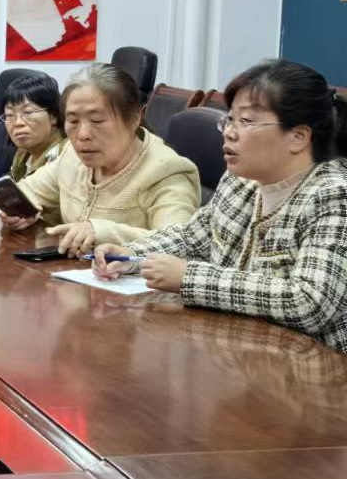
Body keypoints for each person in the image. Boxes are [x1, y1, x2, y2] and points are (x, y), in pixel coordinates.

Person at [93, 60, 347, 353]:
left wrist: (189, 278)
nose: (229, 132)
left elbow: (309, 302)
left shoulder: (333, 196)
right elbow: (192, 239)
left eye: (246, 121)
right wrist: (132, 255)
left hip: (313, 367)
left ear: (298, 137)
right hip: (240, 351)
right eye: (229, 120)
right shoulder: (241, 182)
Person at [4, 63, 200, 256]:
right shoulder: (72, 155)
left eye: (96, 120)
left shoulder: (167, 172)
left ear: (134, 120)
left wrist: (99, 231)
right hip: (71, 271)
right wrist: (20, 209)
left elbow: (179, 242)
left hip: (131, 276)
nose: (83, 134)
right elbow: (28, 190)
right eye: (73, 121)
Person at [0, 72, 67, 181]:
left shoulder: (65, 155)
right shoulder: (23, 153)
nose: (18, 123)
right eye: (10, 115)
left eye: (28, 112)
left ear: (53, 115)